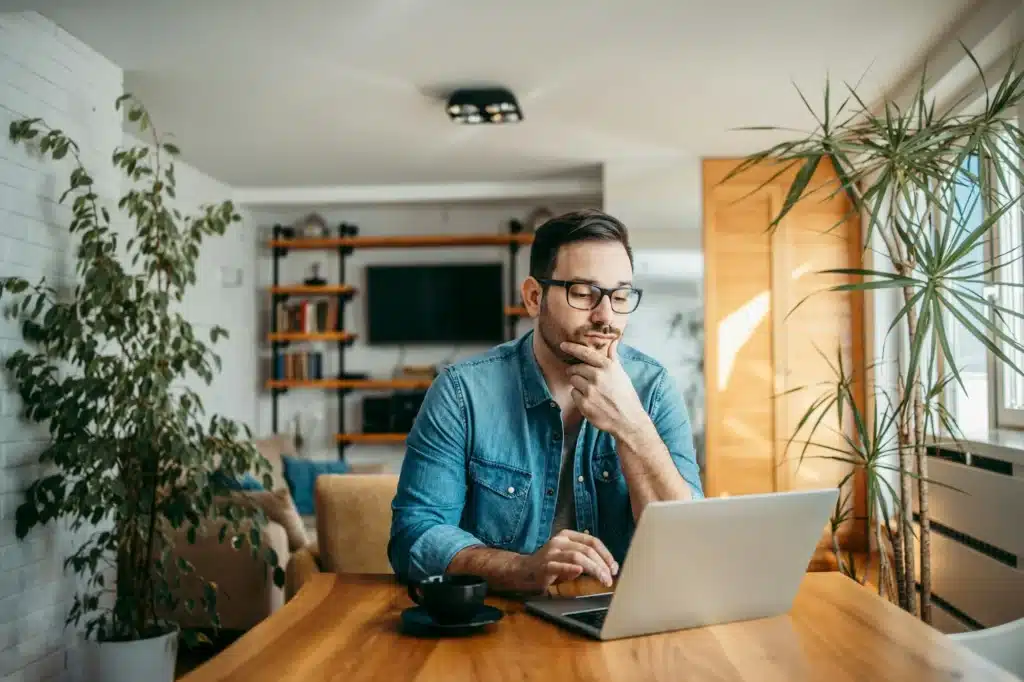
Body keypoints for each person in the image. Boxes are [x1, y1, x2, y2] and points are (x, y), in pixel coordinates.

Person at [387, 208, 703, 593]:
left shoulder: (653, 388)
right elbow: (414, 537)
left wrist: (631, 425)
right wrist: (521, 568)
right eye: (584, 294)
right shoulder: (461, 393)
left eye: (620, 296)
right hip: (500, 623)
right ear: (535, 297)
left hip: (626, 619)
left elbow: (686, 545)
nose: (606, 317)